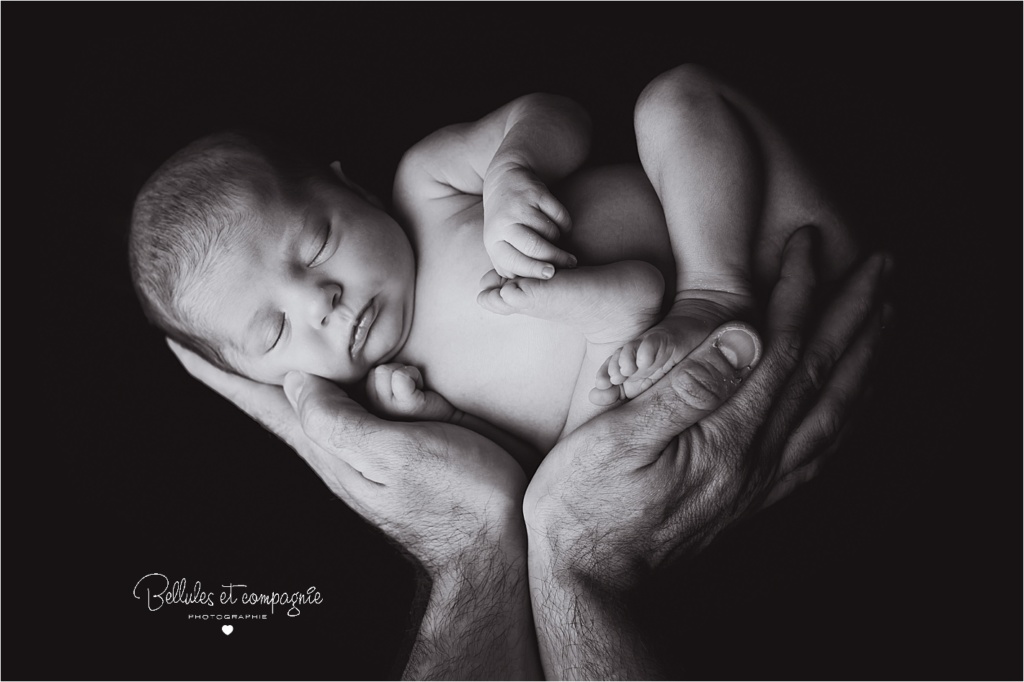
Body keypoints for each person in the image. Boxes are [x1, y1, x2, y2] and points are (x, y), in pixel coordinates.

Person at [128, 65, 856, 474]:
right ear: (265, 379)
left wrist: (513, 166)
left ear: (351, 187)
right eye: (274, 328)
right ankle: (630, 312)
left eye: (316, 244)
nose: (319, 300)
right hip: (712, 401)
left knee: (677, 98)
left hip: (770, 234)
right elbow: (519, 483)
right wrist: (442, 421)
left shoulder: (428, 184)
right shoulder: (392, 408)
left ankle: (712, 284)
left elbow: (552, 111)